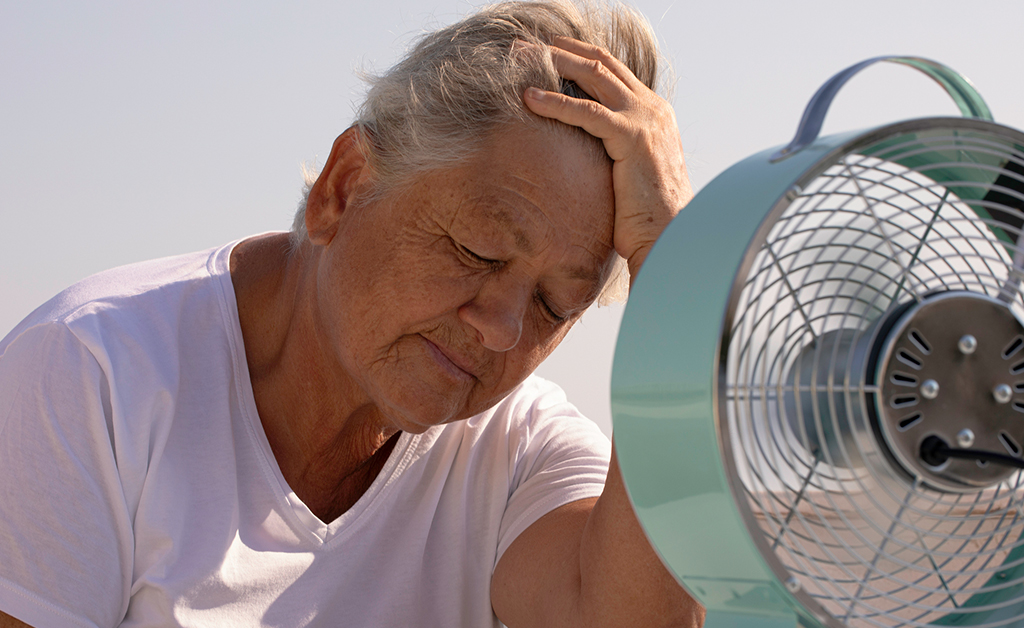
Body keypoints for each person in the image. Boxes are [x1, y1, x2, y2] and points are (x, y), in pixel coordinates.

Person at [0, 1, 703, 626]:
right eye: (478, 251)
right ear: (344, 187)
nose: (504, 327)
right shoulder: (88, 374)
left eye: (555, 305)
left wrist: (677, 271)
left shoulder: (519, 450)